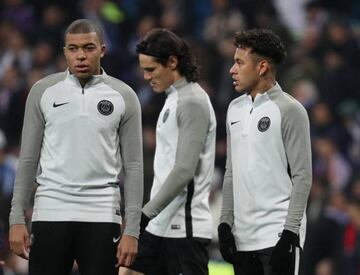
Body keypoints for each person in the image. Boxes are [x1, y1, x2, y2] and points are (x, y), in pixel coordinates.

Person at [8, 19, 143, 275]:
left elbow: (134, 167)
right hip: (50, 209)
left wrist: (132, 230)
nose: (81, 55)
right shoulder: (43, 92)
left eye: (89, 47)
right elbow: (27, 159)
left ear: (102, 49)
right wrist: (16, 219)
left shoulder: (124, 96)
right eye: (73, 48)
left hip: (102, 212)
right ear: (65, 52)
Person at [120, 28, 217, 275]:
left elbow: (184, 170)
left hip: (184, 230)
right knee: (126, 270)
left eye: (151, 69)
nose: (145, 76)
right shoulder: (172, 99)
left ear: (173, 62)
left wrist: (145, 213)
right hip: (160, 223)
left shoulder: (192, 101)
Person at [218, 29, 312, 275]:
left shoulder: (291, 110)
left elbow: (303, 176)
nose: (232, 69)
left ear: (262, 67)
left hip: (277, 234)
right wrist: (225, 223)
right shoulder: (234, 109)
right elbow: (231, 172)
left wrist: (290, 234)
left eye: (239, 62)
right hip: (243, 237)